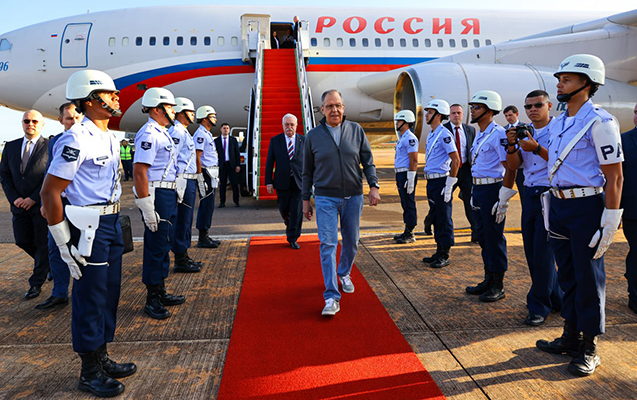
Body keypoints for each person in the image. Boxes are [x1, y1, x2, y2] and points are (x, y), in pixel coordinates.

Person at [40, 69, 136, 397]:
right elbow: (50, 193)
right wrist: (63, 243)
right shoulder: (76, 138)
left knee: (109, 292)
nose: (116, 97)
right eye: (110, 94)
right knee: (90, 296)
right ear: (92, 100)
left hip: (111, 222)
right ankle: (88, 370)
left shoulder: (109, 137)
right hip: (87, 227)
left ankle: (102, 356)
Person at [536, 54, 624, 377]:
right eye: (560, 79)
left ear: (586, 83)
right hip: (559, 205)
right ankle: (571, 336)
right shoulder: (559, 122)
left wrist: (611, 218)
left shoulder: (601, 122)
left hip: (587, 207)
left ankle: (590, 347)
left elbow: (615, 175)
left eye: (567, 80)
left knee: (589, 277)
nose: (559, 85)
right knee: (568, 275)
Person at [302, 89, 381, 316]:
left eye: (337, 105)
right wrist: (306, 200)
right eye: (329, 106)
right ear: (322, 109)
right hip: (325, 198)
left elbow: (368, 161)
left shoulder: (356, 130)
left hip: (353, 197)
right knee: (328, 244)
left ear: (343, 107)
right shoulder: (313, 136)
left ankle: (344, 272)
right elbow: (307, 172)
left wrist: (374, 186)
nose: (334, 110)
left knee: (352, 241)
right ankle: (331, 297)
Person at [505, 90, 562, 326]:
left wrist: (536, 148)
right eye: (528, 106)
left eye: (538, 105)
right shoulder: (525, 131)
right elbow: (514, 165)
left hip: (549, 193)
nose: (532, 110)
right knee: (531, 249)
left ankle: (538, 305)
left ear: (549, 105)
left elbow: (561, 161)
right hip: (529, 193)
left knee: (543, 252)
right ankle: (556, 297)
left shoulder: (558, 129)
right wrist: (512, 146)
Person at [133, 87, 186, 320]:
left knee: (164, 243)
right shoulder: (149, 134)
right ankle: (151, 298)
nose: (174, 111)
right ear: (157, 109)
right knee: (156, 246)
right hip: (156, 194)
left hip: (167, 192)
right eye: (170, 107)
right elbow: (139, 171)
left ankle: (161, 290)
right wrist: (146, 205)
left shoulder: (162, 132)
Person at [464, 90, 517, 303]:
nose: (472, 110)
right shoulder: (481, 133)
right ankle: (488, 278)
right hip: (479, 189)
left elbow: (510, 167)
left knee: (494, 238)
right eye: (472, 107)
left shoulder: (498, 134)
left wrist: (503, 197)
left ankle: (498, 284)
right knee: (483, 236)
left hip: (493, 189)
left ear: (489, 110)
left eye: (476, 107)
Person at [0, 109, 50, 300]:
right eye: (27, 121)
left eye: (35, 121)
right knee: (22, 240)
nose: (30, 124)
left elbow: (50, 176)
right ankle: (48, 265)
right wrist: (14, 198)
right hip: (18, 205)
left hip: (40, 204)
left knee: (42, 243)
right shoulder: (11, 146)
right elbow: (4, 174)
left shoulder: (49, 146)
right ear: (22, 123)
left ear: (42, 124)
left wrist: (33, 198)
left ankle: (36, 283)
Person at [37, 102, 82, 310]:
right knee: (56, 248)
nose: (74, 122)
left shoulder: (89, 139)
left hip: (81, 203)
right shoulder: (56, 141)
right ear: (61, 120)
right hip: (59, 202)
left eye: (77, 117)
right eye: (69, 118)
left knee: (83, 249)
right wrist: (45, 203)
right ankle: (59, 293)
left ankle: (83, 292)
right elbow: (49, 173)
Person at [425, 104, 477, 242]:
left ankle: (476, 232)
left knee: (470, 202)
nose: (456, 115)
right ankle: (429, 222)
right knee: (440, 204)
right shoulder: (440, 130)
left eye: (459, 113)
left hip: (464, 170)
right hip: (449, 171)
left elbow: (470, 152)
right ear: (448, 115)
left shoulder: (470, 130)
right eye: (453, 113)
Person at [420, 100, 460, 268]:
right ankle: (439, 250)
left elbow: (456, 160)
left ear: (438, 115)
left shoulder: (444, 134)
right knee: (436, 216)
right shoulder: (432, 133)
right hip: (432, 181)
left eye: (430, 112)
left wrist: (450, 184)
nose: (426, 115)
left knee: (444, 217)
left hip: (441, 180)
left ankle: (445, 254)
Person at [169, 97, 203, 273]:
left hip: (188, 179)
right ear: (181, 113)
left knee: (187, 219)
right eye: (190, 112)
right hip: (182, 179)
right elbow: (171, 157)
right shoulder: (177, 132)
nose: (193, 115)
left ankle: (184, 255)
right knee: (182, 220)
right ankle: (180, 259)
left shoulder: (183, 131)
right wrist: (177, 180)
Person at [265, 113, 305, 249]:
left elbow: (309, 162)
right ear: (282, 126)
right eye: (286, 125)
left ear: (296, 126)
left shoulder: (304, 140)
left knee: (297, 211)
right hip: (282, 182)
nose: (289, 127)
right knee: (284, 209)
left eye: (292, 124)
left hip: (299, 182)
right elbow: (269, 162)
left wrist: (310, 181)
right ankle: (290, 223)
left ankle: (293, 237)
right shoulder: (275, 141)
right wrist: (269, 182)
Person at [193, 105, 221, 248]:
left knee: (209, 205)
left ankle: (206, 235)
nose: (215, 118)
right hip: (205, 173)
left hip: (211, 173)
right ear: (205, 118)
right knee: (205, 205)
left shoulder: (207, 133)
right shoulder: (200, 134)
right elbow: (197, 157)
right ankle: (202, 238)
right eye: (212, 116)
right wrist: (199, 177)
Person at [392, 109, 419, 244]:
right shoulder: (403, 138)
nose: (397, 123)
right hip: (401, 174)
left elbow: (414, 160)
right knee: (405, 202)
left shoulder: (410, 138)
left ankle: (410, 233)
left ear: (407, 122)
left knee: (409, 202)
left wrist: (411, 178)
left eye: (399, 121)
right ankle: (407, 229)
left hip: (407, 173)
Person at [621, 102, 637, 314]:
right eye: (636, 112)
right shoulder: (623, 140)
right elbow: (617, 178)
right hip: (633, 210)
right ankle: (635, 296)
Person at [215, 123, 241, 208]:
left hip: (232, 165)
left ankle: (236, 201)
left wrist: (238, 165)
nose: (225, 130)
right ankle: (222, 202)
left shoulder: (233, 140)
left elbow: (237, 153)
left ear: (229, 130)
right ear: (221, 129)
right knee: (222, 184)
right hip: (222, 165)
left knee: (234, 184)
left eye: (227, 128)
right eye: (224, 128)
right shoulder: (217, 141)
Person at [504, 105, 526, 201]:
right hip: (510, 166)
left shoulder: (525, 127)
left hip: (524, 166)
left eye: (510, 115)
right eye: (506, 116)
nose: (508, 118)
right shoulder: (503, 130)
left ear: (517, 114)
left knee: (525, 194)